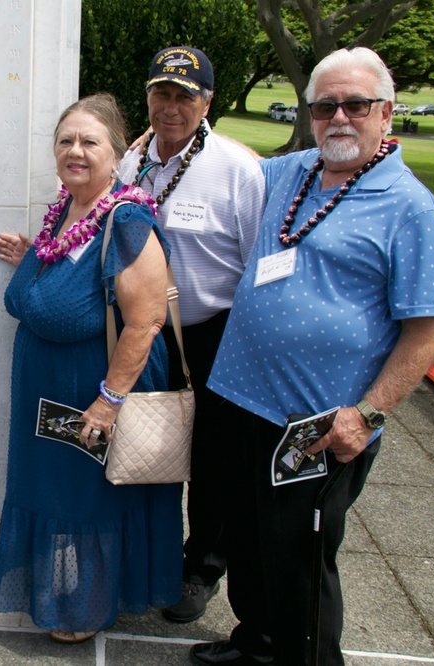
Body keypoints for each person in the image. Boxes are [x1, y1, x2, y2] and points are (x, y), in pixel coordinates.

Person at [193, 47, 434, 666]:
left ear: (385, 113)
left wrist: (367, 414)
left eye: (355, 104)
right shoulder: (296, 171)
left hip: (317, 424)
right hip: (239, 396)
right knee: (248, 538)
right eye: (325, 105)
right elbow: (230, 160)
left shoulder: (410, 207)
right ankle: (255, 642)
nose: (340, 116)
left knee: (299, 556)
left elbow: (427, 331)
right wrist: (167, 124)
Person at [0, 93, 183, 643]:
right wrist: (36, 257)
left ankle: (90, 605)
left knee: (88, 501)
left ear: (117, 154)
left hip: (93, 393)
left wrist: (109, 401)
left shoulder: (126, 220)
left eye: (89, 142)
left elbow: (145, 323)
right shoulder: (64, 211)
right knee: (58, 496)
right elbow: (79, 277)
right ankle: (68, 596)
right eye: (65, 140)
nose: (75, 151)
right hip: (44, 390)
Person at [116, 46, 265, 624]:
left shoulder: (236, 169)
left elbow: (257, 265)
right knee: (147, 443)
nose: (170, 107)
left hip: (214, 332)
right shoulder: (134, 164)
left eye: (184, 95)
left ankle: (200, 567)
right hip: (145, 332)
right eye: (161, 93)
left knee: (214, 458)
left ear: (207, 102)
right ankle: (148, 551)